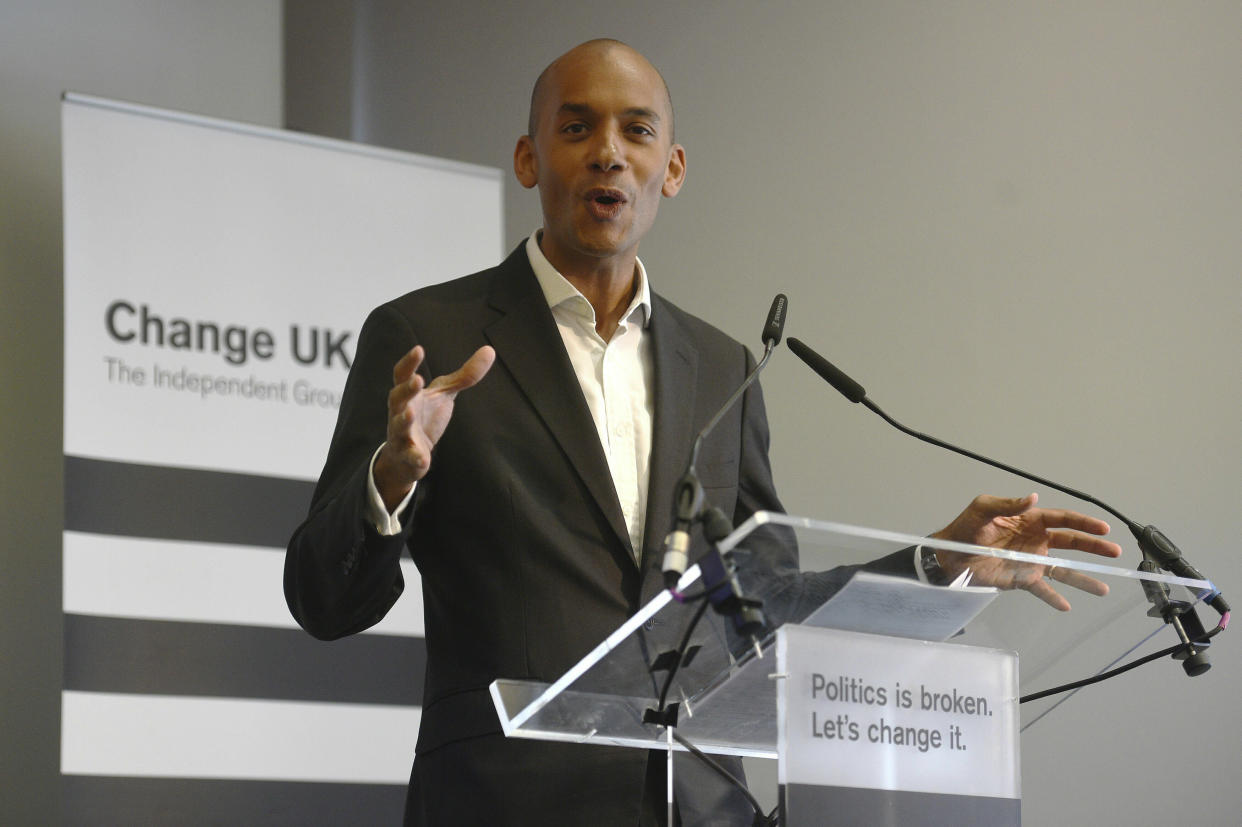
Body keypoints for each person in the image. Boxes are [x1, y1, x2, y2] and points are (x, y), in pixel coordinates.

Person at [285, 39, 1122, 826]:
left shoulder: (722, 367)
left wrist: (938, 563)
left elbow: (760, 607)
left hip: (703, 802)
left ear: (671, 169)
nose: (608, 151)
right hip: (508, 800)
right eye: (576, 127)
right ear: (529, 158)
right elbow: (324, 601)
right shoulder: (428, 334)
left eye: (636, 131)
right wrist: (389, 480)